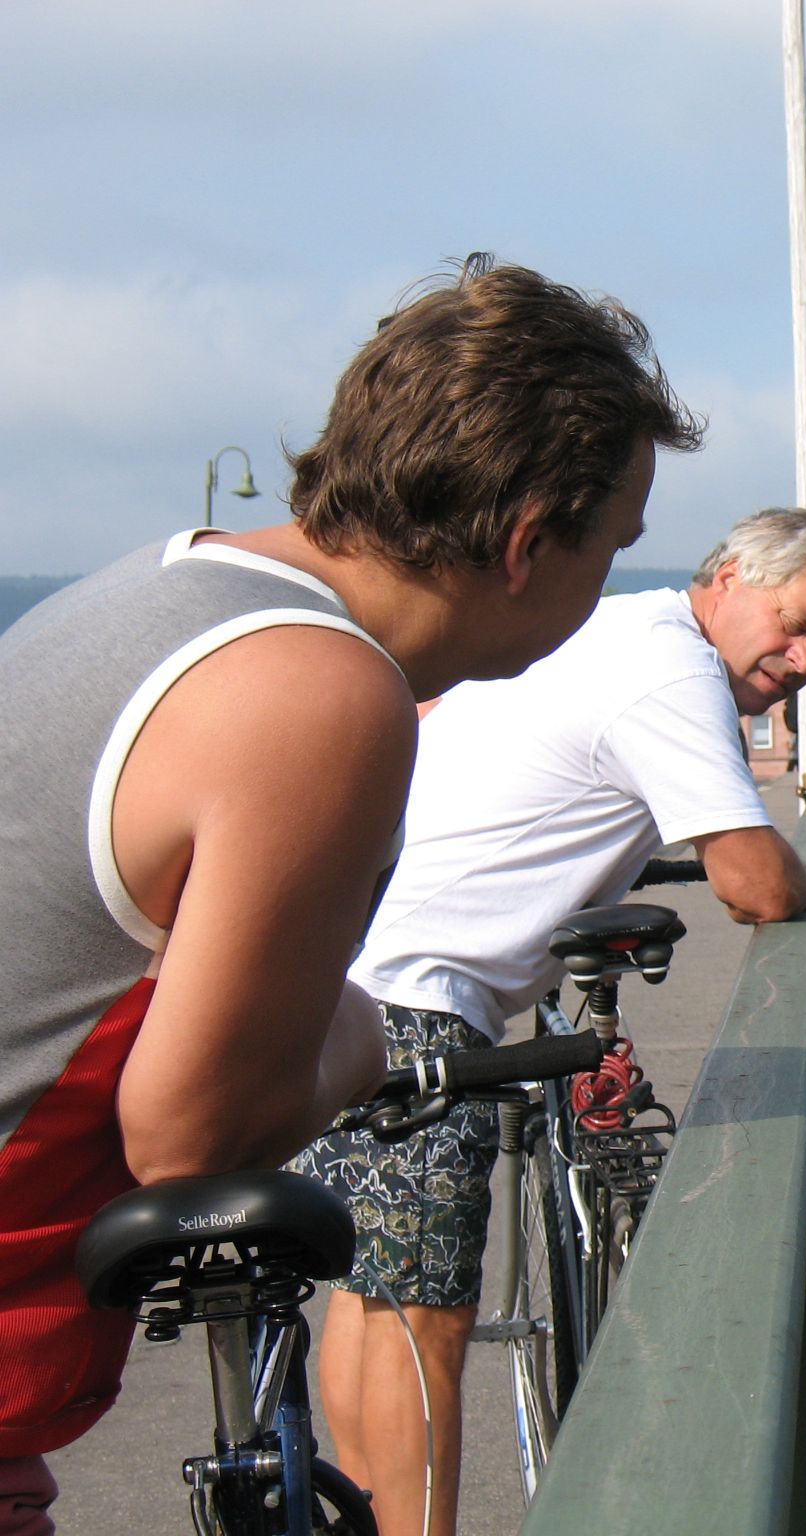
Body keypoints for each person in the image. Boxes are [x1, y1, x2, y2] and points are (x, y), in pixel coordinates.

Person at [0, 253, 697, 1533]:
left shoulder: (169, 587)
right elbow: (194, 1141)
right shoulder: (320, 692)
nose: (614, 588)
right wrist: (365, 1034)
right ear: (526, 542)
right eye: (615, 547)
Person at [293, 508, 806, 1536]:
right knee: (423, 1319)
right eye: (794, 624)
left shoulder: (621, 626)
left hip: (346, 973)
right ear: (733, 572)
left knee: (372, 1294)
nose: (799, 660)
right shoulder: (672, 672)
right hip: (421, 1001)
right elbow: (754, 883)